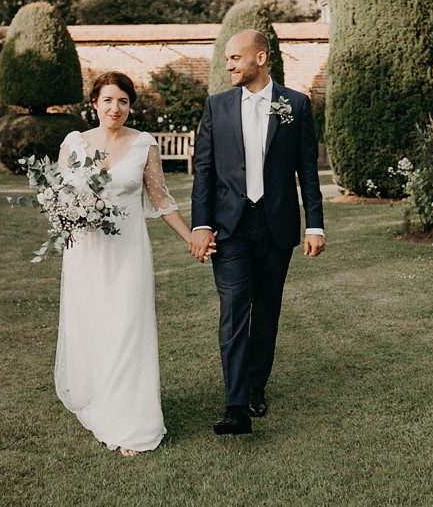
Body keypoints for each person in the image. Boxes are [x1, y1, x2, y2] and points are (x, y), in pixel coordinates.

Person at [54, 71, 207, 457]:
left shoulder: (144, 144)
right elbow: (57, 198)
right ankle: (101, 401)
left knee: (127, 328)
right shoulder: (74, 143)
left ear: (130, 105)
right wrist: (71, 214)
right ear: (94, 104)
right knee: (95, 329)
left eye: (123, 101)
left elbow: (160, 199)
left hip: (128, 253)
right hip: (86, 255)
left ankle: (132, 422)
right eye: (108, 100)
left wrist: (190, 236)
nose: (115, 108)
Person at [189, 29, 325, 435]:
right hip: (231, 228)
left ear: (261, 58)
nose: (228, 65)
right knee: (233, 312)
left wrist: (314, 224)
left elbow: (308, 172)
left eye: (235, 58)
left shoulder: (295, 105)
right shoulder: (216, 107)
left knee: (266, 311)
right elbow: (204, 172)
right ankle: (234, 406)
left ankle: (254, 387)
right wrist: (201, 224)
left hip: (277, 225)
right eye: (227, 59)